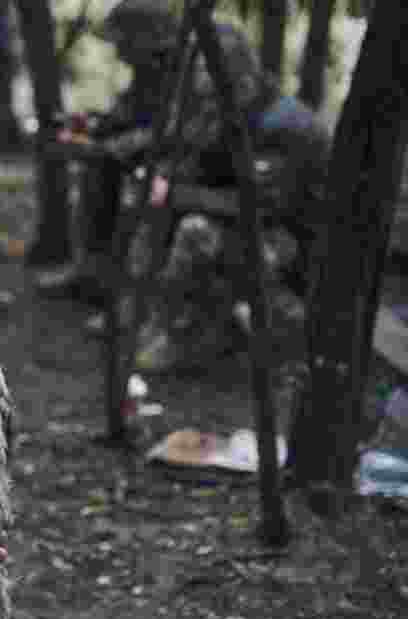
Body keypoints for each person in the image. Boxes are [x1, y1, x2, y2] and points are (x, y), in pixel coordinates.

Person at [131, 21, 331, 373]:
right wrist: (165, 180)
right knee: (163, 211)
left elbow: (261, 207)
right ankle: (170, 321)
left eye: (201, 68)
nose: (194, 79)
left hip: (294, 246)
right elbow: (197, 166)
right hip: (251, 231)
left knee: (196, 231)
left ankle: (185, 336)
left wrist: (177, 194)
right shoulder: (228, 109)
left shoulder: (285, 124)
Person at [35, 0, 181, 301]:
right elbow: (126, 116)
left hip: (172, 167)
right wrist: (90, 126)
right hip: (132, 161)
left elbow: (170, 129)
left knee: (123, 188)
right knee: (95, 173)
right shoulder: (146, 74)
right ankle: (91, 271)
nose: (119, 50)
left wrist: (111, 147)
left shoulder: (180, 74)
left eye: (124, 41)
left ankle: (118, 289)